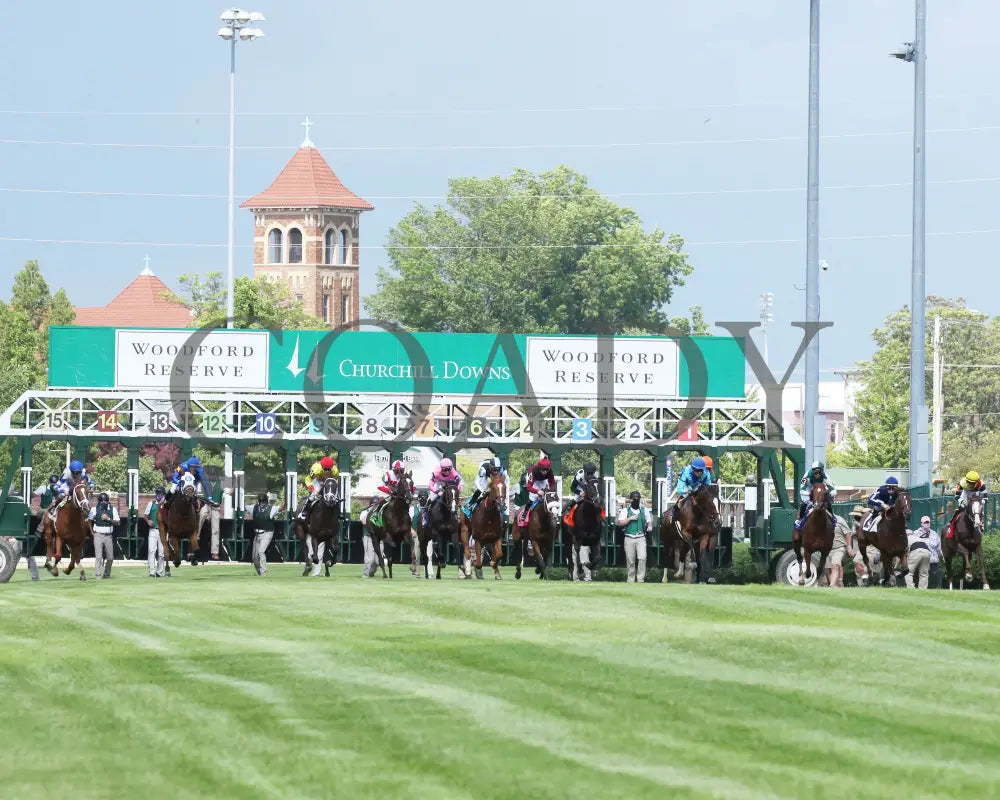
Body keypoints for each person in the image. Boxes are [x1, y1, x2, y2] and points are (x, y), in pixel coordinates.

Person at [618, 490, 652, 583]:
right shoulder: (626, 511)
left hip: (641, 537)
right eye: (634, 499)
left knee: (642, 558)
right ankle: (631, 579)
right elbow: (620, 523)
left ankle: (640, 579)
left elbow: (649, 522)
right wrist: (630, 518)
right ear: (630, 500)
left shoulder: (644, 510)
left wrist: (649, 526)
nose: (636, 500)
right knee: (630, 560)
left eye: (638, 499)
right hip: (629, 538)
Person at [246, 492, 283, 577]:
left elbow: (280, 508)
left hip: (267, 532)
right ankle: (259, 572)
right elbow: (242, 506)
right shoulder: (254, 508)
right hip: (257, 533)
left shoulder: (271, 508)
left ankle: (263, 572)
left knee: (261, 552)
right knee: (254, 558)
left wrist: (284, 499)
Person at [795, 461, 835, 531]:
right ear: (812, 470)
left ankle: (832, 518)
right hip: (809, 490)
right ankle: (800, 519)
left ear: (822, 471)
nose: (817, 474)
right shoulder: (807, 475)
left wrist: (829, 494)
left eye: (819, 472)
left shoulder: (825, 476)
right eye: (815, 472)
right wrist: (809, 493)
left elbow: (833, 490)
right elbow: (802, 488)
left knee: (828, 503)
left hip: (821, 491)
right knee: (804, 504)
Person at [297, 456, 339, 521]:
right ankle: (304, 512)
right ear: (322, 467)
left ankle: (338, 513)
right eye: (325, 469)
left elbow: (335, 480)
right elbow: (308, 480)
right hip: (317, 480)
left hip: (328, 481)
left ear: (332, 467)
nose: (327, 471)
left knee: (334, 495)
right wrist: (314, 490)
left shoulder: (335, 470)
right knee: (312, 497)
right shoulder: (316, 469)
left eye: (329, 469)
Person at [88, 492, 119, 580]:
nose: (103, 503)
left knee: (110, 557)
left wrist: (108, 519)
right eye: (102, 502)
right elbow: (89, 521)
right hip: (98, 534)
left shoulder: (113, 509)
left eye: (105, 501)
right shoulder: (94, 509)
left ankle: (107, 573)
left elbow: (118, 522)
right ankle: (98, 575)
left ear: (108, 501)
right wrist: (92, 532)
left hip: (108, 535)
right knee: (98, 556)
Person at [518, 458, 556, 525]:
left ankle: (554, 514)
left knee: (550, 497)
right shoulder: (532, 471)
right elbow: (529, 487)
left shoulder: (550, 471)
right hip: (534, 481)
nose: (545, 472)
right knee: (532, 498)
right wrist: (537, 491)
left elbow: (552, 484)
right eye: (543, 469)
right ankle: (525, 513)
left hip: (544, 480)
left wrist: (551, 492)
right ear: (539, 468)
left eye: (547, 469)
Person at [425, 458, 463, 526]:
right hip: (438, 483)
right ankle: (425, 519)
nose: (447, 471)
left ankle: (456, 516)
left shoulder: (454, 473)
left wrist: (457, 490)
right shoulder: (435, 473)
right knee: (432, 498)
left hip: (449, 484)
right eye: (445, 469)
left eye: (449, 469)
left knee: (453, 500)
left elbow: (460, 483)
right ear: (441, 468)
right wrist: (437, 491)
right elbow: (430, 486)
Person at [827, 509, 857, 588]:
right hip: (827, 550)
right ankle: (834, 588)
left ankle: (832, 585)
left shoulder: (839, 520)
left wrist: (849, 547)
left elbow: (848, 534)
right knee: (828, 570)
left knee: (835, 565)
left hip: (839, 548)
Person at [143, 487, 166, 577]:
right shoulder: (151, 504)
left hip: (163, 531)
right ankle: (152, 571)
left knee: (161, 553)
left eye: (161, 494)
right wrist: (148, 521)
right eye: (157, 494)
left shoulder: (166, 505)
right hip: (153, 530)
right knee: (151, 551)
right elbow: (145, 515)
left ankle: (159, 572)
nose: (158, 496)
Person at [905, 520, 933, 589]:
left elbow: (904, 553)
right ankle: (923, 590)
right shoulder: (917, 537)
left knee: (908, 572)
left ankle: (911, 588)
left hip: (916, 550)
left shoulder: (905, 539)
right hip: (927, 551)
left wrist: (897, 565)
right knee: (924, 574)